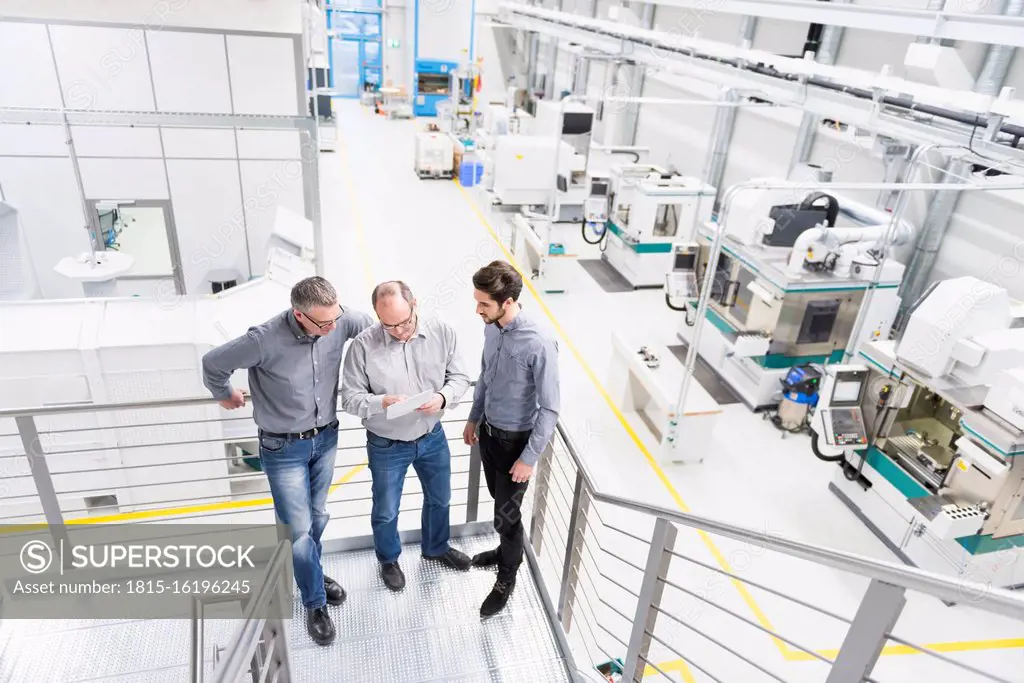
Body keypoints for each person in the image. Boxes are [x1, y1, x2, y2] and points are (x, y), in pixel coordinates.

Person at [201, 276, 372, 647]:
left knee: (318, 517)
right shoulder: (263, 339)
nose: (333, 328)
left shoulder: (338, 319)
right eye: (324, 324)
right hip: (282, 449)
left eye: (335, 318)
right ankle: (314, 600)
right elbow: (213, 363)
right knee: (298, 531)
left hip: (325, 438)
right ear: (299, 315)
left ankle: (312, 573)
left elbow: (377, 328)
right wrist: (225, 393)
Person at [341, 280, 473, 591]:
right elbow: (349, 399)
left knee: (440, 499)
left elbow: (460, 377)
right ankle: (388, 559)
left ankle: (436, 547)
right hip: (387, 444)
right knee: (386, 510)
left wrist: (442, 397)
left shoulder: (441, 332)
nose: (399, 331)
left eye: (404, 322)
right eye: (389, 326)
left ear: (415, 304)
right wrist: (379, 402)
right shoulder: (362, 346)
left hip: (432, 436)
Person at [463, 261, 560, 617]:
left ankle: (507, 576)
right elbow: (485, 376)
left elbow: (550, 409)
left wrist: (529, 457)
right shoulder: (492, 329)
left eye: (483, 304)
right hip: (489, 434)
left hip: (516, 445)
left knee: (506, 516)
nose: (477, 310)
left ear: (507, 301)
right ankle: (506, 552)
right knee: (498, 503)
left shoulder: (539, 343)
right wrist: (474, 418)